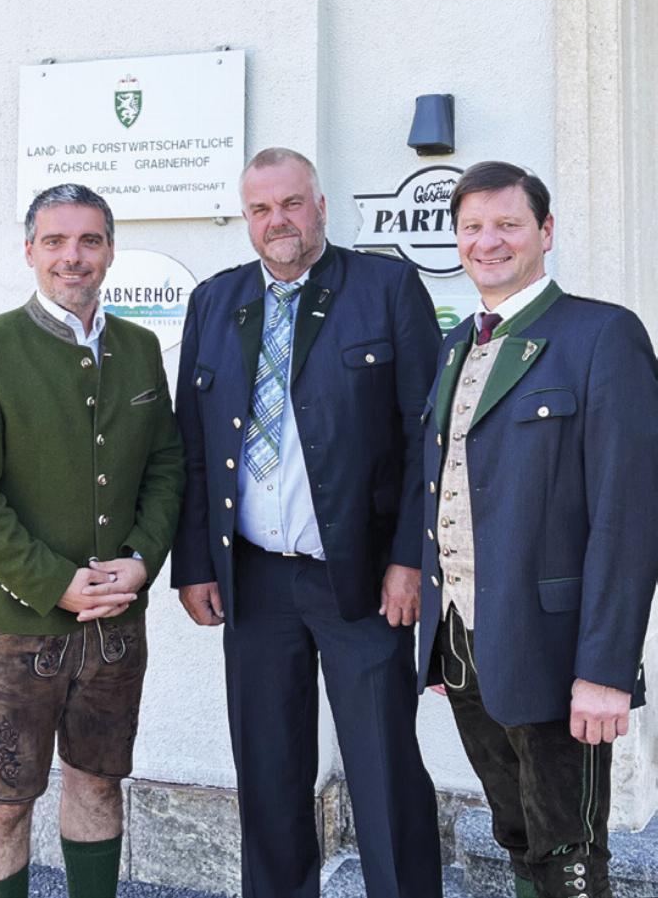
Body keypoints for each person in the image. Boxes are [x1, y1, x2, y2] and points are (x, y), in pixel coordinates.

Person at [172, 147, 443, 898]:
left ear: (322, 205)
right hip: (253, 581)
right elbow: (192, 442)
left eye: (291, 203)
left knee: (383, 769)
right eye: (260, 208)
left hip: (359, 576)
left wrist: (410, 559)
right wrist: (194, 561)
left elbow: (429, 435)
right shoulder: (215, 302)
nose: (277, 221)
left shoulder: (386, 287)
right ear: (246, 218)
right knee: (268, 769)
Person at [417, 160, 658, 898]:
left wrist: (608, 670)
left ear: (545, 232)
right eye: (472, 228)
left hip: (559, 653)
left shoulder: (601, 334)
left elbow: (630, 513)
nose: (488, 241)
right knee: (516, 834)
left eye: (508, 224)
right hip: (465, 640)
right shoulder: (458, 342)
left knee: (569, 852)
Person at [0, 184, 184, 898]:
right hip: (13, 631)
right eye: (55, 241)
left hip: (114, 625)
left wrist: (141, 561)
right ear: (29, 251)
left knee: (99, 784)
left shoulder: (138, 347)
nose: (72, 257)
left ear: (109, 250)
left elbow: (166, 463)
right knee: (6, 801)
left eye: (88, 241)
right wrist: (52, 581)